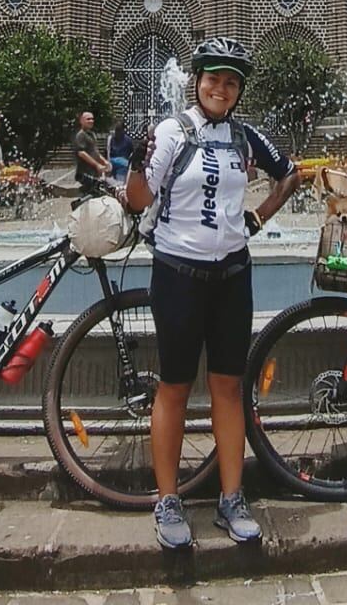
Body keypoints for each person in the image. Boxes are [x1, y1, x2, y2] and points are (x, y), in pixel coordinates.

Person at [126, 37, 302, 551]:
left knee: (229, 387)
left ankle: (231, 497)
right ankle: (168, 499)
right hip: (179, 275)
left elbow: (289, 174)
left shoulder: (246, 137)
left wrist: (258, 216)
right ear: (196, 81)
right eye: (212, 79)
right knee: (175, 386)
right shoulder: (171, 132)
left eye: (230, 82)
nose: (220, 89)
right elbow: (140, 201)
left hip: (232, 276)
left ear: (238, 90)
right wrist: (137, 165)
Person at [73, 111, 122, 201]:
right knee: (89, 196)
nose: (91, 121)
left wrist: (105, 162)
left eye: (92, 119)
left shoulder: (91, 134)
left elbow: (96, 152)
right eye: (88, 119)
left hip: (94, 173)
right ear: (81, 121)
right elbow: (81, 153)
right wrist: (97, 165)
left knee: (97, 194)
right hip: (85, 173)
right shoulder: (80, 135)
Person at [106, 120, 134, 184]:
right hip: (113, 162)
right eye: (116, 130)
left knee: (122, 171)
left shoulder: (128, 140)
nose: (117, 132)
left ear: (123, 130)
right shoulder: (111, 139)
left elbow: (131, 153)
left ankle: (119, 183)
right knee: (123, 163)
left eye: (119, 130)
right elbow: (107, 152)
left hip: (123, 166)